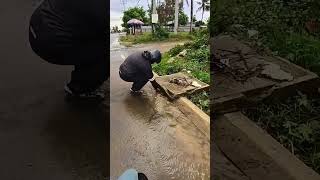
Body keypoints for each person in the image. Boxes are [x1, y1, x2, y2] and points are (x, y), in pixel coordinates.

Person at [28, 0, 108, 100]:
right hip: (49, 40)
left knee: (96, 40)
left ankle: (84, 76)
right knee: (107, 53)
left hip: (39, 19)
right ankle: (80, 89)